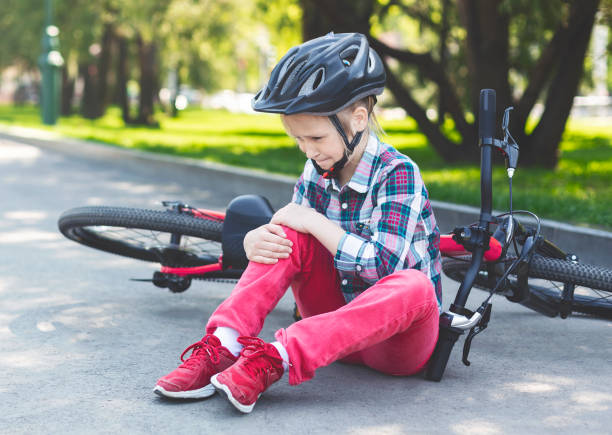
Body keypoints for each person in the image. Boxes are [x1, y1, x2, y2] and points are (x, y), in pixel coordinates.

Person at [154, 32, 442, 414]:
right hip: (334, 329)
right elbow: (293, 238)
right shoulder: (316, 169)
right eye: (298, 140)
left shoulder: (398, 172)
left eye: (316, 137)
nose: (308, 150)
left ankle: (277, 358)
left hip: (393, 346)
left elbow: (383, 266)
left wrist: (310, 219)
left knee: (415, 286)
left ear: (357, 119)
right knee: (288, 232)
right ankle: (225, 345)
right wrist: (258, 241)